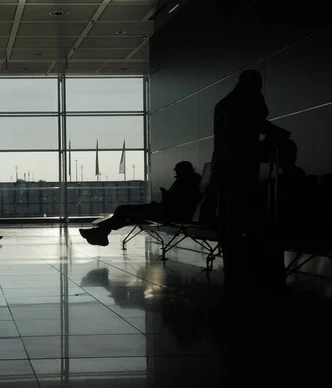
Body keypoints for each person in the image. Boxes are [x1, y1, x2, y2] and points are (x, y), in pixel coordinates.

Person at [212, 69, 289, 288]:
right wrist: (280, 135)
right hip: (239, 166)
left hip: (227, 165)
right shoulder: (241, 103)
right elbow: (259, 121)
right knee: (240, 212)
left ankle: (234, 262)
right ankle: (242, 262)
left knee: (231, 214)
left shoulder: (226, 103)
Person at [79, 161, 202, 246]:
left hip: (167, 213)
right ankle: (100, 233)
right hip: (164, 210)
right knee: (124, 213)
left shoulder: (187, 182)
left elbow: (179, 202)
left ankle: (99, 233)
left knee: (125, 212)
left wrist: (167, 195)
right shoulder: (189, 181)